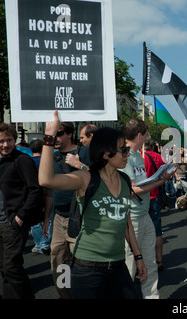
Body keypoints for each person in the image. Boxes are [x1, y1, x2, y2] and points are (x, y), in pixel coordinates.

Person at [38, 111, 147, 299]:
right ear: (106, 153)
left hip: (118, 267)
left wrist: (138, 257)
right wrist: (49, 134)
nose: (128, 154)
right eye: (123, 150)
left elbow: (126, 222)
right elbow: (46, 180)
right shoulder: (86, 179)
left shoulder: (125, 179)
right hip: (88, 269)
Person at [120, 118, 175, 299]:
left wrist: (159, 178)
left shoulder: (138, 155)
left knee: (150, 263)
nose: (147, 138)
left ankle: (152, 296)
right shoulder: (126, 156)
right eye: (145, 135)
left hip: (144, 215)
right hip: (132, 218)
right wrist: (160, 181)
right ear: (139, 136)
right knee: (130, 265)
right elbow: (132, 189)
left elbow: (140, 184)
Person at [0, 123, 44, 299]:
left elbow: (35, 190)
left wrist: (20, 216)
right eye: (1, 141)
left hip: (13, 222)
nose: (5, 144)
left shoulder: (22, 160)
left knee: (12, 267)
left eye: (9, 140)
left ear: (15, 140)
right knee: (4, 269)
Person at [49, 121, 90, 299]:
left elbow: (100, 178)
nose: (55, 138)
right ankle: (65, 296)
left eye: (59, 134)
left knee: (82, 262)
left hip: (80, 217)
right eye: (53, 135)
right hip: (58, 216)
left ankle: (82, 294)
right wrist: (46, 219)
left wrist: (80, 164)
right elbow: (48, 190)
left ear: (69, 134)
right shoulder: (52, 157)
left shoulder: (84, 152)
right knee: (58, 261)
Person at [143, 134, 167, 272]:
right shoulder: (157, 157)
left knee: (141, 230)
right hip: (154, 196)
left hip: (139, 197)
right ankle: (159, 260)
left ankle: (145, 260)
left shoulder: (136, 156)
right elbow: (165, 172)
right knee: (157, 230)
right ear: (151, 146)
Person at [29, 139, 53, 255]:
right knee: (48, 218)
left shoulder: (28, 162)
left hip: (33, 194)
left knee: (35, 221)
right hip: (47, 191)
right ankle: (45, 243)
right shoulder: (46, 162)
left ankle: (38, 244)